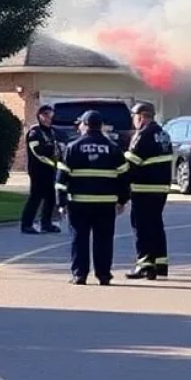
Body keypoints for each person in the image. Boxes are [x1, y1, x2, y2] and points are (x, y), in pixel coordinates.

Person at [55, 110, 130, 286]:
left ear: (85, 125)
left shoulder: (72, 148)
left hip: (79, 203)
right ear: (101, 126)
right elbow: (124, 178)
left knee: (79, 239)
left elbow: (61, 180)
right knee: (103, 240)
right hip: (105, 203)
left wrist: (61, 203)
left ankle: (79, 275)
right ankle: (103, 275)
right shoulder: (113, 148)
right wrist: (122, 200)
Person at [124, 101, 174, 280]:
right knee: (156, 225)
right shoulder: (163, 134)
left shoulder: (142, 135)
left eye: (134, 117)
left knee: (141, 226)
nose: (133, 121)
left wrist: (120, 185)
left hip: (143, 187)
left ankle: (144, 265)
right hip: (161, 188)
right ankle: (160, 264)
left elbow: (131, 163)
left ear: (141, 116)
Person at [21, 104, 61, 235]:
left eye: (50, 115)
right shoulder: (34, 132)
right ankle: (26, 224)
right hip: (38, 170)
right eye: (45, 115)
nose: (48, 118)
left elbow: (57, 149)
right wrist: (52, 162)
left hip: (50, 170)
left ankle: (46, 223)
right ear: (39, 116)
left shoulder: (52, 132)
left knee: (51, 198)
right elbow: (37, 152)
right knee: (35, 197)